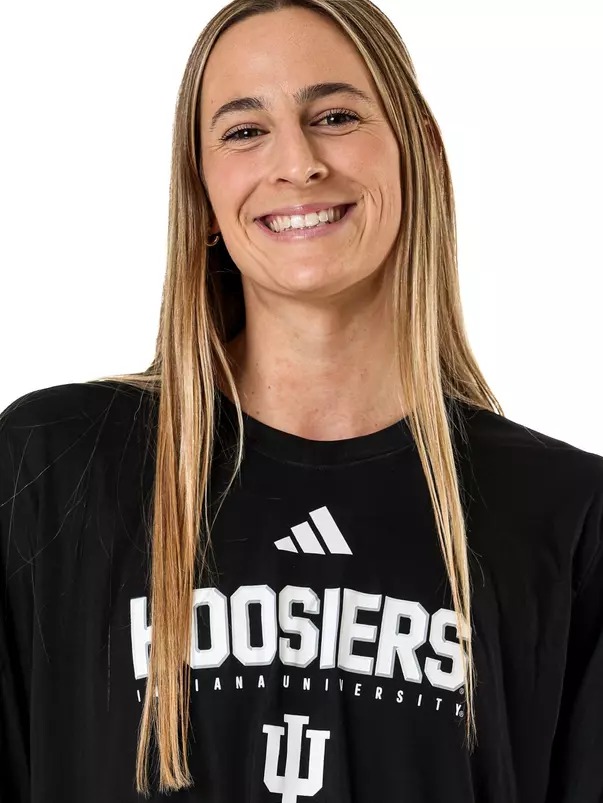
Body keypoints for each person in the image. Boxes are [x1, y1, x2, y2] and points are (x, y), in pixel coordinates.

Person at [1, 1, 602, 801]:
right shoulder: (52, 465)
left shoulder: (564, 513)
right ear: (201, 190)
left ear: (417, 151)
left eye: (335, 114)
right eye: (245, 130)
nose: (298, 161)